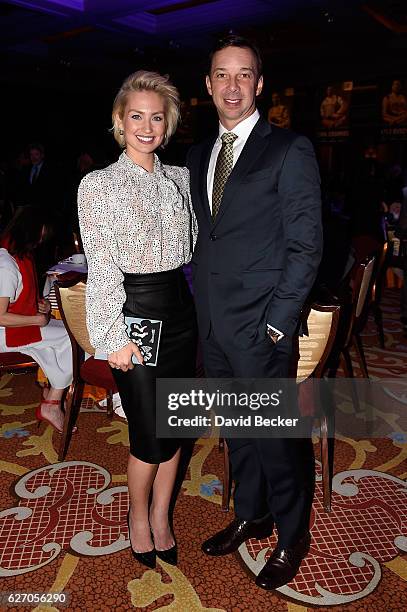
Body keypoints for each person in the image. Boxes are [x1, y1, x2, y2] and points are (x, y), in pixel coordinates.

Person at [186, 35, 322, 590]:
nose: (233, 85)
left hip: (263, 327)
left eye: (245, 75)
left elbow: (306, 246)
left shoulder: (289, 149)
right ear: (209, 84)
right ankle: (251, 513)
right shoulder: (199, 155)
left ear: (260, 84)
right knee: (239, 434)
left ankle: (293, 534)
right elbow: (207, 240)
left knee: (274, 437)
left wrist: (277, 323)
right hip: (214, 325)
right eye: (223, 74)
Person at [78, 70, 197, 570]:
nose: (147, 127)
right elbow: (100, 266)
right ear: (118, 121)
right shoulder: (98, 185)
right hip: (136, 317)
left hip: (181, 312)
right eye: (136, 117)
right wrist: (113, 337)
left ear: (167, 124)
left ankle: (163, 516)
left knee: (176, 430)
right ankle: (137, 518)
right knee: (149, 436)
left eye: (156, 117)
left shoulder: (181, 179)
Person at [0, 206, 73, 433]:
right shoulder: (6, 264)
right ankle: (52, 400)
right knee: (76, 340)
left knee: (67, 337)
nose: (43, 238)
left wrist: (42, 305)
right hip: (5, 333)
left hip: (16, 326)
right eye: (43, 231)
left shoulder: (16, 254)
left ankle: (52, 394)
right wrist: (36, 320)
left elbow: (20, 297)